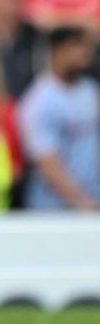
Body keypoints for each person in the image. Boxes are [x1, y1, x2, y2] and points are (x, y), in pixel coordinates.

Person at [17, 27, 100, 211]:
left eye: (87, 46)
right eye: (76, 46)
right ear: (57, 51)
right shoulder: (39, 100)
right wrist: (80, 201)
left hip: (92, 201)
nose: (85, 52)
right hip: (52, 209)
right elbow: (46, 161)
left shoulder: (91, 90)